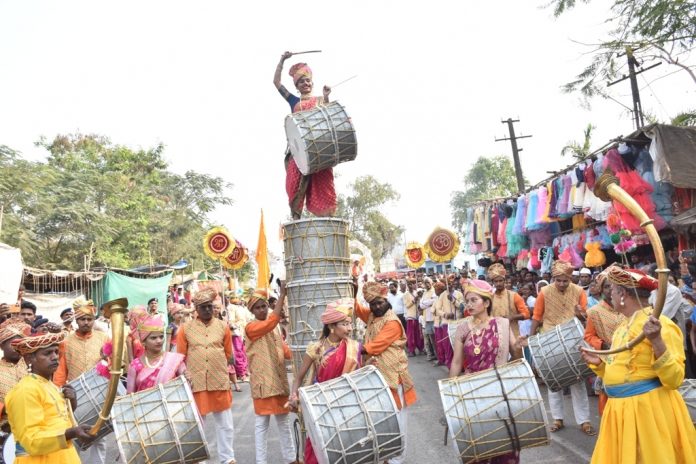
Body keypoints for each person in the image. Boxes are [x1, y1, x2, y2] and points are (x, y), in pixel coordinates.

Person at [580, 265, 696, 463]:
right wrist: (600, 364)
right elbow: (626, 373)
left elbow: (675, 379)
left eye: (613, 290)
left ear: (622, 293)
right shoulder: (622, 327)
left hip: (647, 414)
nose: (610, 295)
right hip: (619, 414)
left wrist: (657, 341)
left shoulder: (662, 326)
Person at [449, 279, 527, 464]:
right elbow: (457, 362)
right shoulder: (462, 329)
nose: (469, 305)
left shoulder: (502, 324)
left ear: (486, 302)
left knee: (504, 445)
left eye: (473, 300)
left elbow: (516, 356)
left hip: (499, 390)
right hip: (473, 392)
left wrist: (519, 347)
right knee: (478, 446)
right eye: (467, 301)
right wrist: (451, 394)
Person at [289, 298, 361, 464]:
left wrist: (368, 365)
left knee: (346, 446)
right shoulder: (316, 348)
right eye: (344, 324)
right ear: (331, 327)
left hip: (345, 404)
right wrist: (293, 396)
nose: (350, 328)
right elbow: (299, 377)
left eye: (350, 324)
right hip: (320, 405)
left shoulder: (354, 347)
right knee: (319, 447)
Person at [6, 329, 93, 463]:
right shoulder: (25, 390)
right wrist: (72, 433)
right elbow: (31, 440)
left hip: (63, 456)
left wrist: (72, 402)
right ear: (29, 358)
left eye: (56, 352)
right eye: (47, 353)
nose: (54, 357)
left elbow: (57, 420)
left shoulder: (50, 385)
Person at [530, 261, 595, 436]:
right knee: (553, 382)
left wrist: (580, 313)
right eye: (558, 280)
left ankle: (584, 421)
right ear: (553, 278)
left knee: (578, 379)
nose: (561, 284)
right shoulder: (544, 292)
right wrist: (531, 337)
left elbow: (585, 315)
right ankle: (557, 419)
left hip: (573, 337)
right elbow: (536, 316)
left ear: (570, 279)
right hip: (549, 338)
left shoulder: (579, 291)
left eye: (565, 281)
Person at [355, 281, 417, 464]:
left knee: (399, 424)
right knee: (383, 422)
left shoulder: (392, 322)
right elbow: (358, 310)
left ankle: (397, 460)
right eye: (373, 304)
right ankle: (387, 458)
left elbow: (374, 347)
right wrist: (354, 290)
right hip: (377, 378)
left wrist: (350, 350)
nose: (376, 306)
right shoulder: (373, 316)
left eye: (379, 303)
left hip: (394, 379)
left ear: (386, 301)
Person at [177, 288, 237, 464]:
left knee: (225, 423)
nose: (207, 310)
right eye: (203, 307)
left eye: (210, 306)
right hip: (196, 381)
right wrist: (185, 371)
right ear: (196, 308)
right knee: (198, 424)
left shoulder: (223, 326)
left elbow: (228, 353)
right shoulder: (185, 328)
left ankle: (227, 458)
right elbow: (180, 357)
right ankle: (199, 459)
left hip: (218, 379)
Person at [274, 51, 336, 219]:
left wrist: (326, 97)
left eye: (307, 80)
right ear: (297, 86)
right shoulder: (294, 101)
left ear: (312, 82)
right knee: (293, 184)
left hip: (319, 151)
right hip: (299, 152)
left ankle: (326, 221)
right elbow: (277, 82)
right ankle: (295, 219)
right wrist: (282, 60)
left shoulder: (319, 100)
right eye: (301, 81)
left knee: (323, 187)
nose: (305, 83)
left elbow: (329, 117)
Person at [244, 286, 298, 464]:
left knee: (284, 423)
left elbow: (286, 351)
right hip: (263, 382)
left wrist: (302, 354)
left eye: (263, 306)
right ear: (252, 310)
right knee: (261, 426)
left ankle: (290, 459)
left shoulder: (274, 327)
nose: (261, 310)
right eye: (257, 307)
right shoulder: (251, 327)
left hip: (279, 380)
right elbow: (272, 321)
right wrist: (282, 294)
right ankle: (261, 462)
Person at [52, 298, 109, 463]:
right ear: (76, 320)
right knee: (74, 434)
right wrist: (58, 393)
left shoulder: (103, 338)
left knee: (99, 436)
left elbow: (112, 364)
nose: (86, 322)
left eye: (89, 319)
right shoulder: (66, 342)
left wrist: (108, 359)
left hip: (99, 394)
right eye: (82, 319)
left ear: (93, 320)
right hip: (74, 396)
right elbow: (61, 371)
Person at [583, 272, 623, 415]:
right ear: (601, 289)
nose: (611, 290)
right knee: (608, 403)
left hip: (630, 358)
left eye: (614, 286)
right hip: (608, 359)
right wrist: (602, 345)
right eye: (607, 287)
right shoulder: (594, 312)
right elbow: (588, 336)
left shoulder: (628, 307)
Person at [127, 316, 186, 393]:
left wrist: (187, 375)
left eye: (161, 337)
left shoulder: (173, 359)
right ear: (143, 342)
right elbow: (130, 395)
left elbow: (185, 377)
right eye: (153, 338)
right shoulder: (135, 365)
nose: (159, 341)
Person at [487, 264, 530, 359]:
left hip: (514, 335)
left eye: (500, 281)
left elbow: (527, 314)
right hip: (496, 336)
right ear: (492, 282)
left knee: (517, 361)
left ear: (504, 281)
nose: (498, 283)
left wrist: (512, 317)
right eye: (496, 281)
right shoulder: (489, 298)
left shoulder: (514, 295)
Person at [0, 320, 30, 423]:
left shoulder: (32, 366)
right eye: (13, 345)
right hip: (4, 428)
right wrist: (4, 408)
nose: (18, 348)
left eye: (21, 345)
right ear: (2, 345)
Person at [227, 297, 251, 382]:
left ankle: (244, 371)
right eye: (236, 298)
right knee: (238, 352)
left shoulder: (241, 308)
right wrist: (234, 326)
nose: (239, 300)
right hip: (235, 333)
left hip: (242, 332)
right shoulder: (231, 307)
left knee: (243, 351)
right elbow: (231, 321)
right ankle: (241, 374)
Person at [403, 279, 424, 356]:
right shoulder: (405, 295)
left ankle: (421, 348)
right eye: (408, 284)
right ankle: (411, 350)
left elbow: (421, 303)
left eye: (411, 284)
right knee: (411, 335)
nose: (410, 285)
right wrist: (414, 300)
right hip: (410, 317)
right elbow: (407, 305)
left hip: (418, 316)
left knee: (419, 334)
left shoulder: (417, 293)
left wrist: (419, 297)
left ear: (414, 285)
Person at [419, 277, 437, 361]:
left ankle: (439, 357)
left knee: (437, 339)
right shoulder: (424, 293)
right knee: (431, 340)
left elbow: (434, 301)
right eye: (425, 283)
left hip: (434, 318)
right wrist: (427, 303)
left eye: (428, 282)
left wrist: (425, 303)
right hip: (427, 319)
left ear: (431, 283)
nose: (427, 284)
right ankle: (435, 356)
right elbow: (421, 305)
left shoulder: (434, 291)